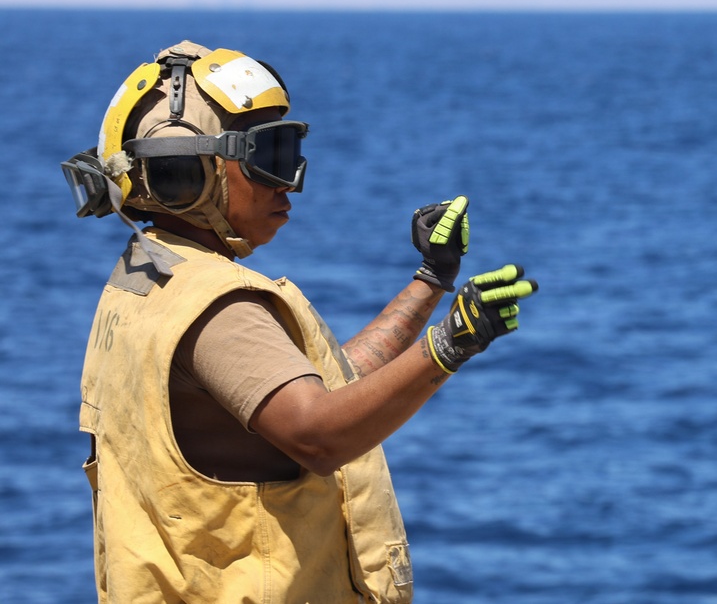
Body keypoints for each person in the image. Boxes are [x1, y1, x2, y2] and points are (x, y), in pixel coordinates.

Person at [60, 40, 537, 603]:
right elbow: (316, 433)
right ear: (184, 173)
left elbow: (318, 388)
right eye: (268, 159)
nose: (289, 182)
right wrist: (450, 347)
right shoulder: (218, 307)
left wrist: (432, 279)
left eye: (288, 154)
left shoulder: (149, 276)